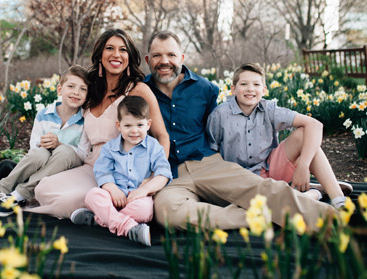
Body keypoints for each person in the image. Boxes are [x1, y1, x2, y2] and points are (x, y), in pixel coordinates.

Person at [144, 31, 337, 232]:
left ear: (181, 58)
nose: (164, 61)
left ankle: (330, 222)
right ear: (148, 59)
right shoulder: (140, 90)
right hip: (169, 174)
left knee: (262, 190)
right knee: (167, 212)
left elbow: (212, 130)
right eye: (157, 55)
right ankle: (268, 215)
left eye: (171, 55)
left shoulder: (204, 88)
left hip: (207, 164)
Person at [26, 28, 169, 220]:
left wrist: (153, 179)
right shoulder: (90, 89)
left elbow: (162, 136)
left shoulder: (138, 90)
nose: (116, 54)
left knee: (66, 201)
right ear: (100, 53)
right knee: (43, 189)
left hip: (125, 169)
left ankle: (103, 213)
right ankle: (102, 213)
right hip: (93, 165)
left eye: (123, 49)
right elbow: (66, 108)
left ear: (129, 56)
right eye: (110, 48)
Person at [207, 63, 352, 209]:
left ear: (263, 90)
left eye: (256, 84)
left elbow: (315, 125)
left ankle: (339, 200)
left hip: (271, 168)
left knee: (304, 135)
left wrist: (303, 166)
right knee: (261, 206)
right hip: (240, 179)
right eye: (244, 84)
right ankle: (312, 193)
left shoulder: (269, 109)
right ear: (233, 89)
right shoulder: (220, 115)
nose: (250, 89)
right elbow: (210, 153)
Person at [0, 65, 91, 217]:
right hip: (45, 161)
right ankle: (0, 190)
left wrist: (60, 144)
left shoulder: (86, 120)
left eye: (83, 89)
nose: (76, 92)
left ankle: (19, 195)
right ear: (59, 89)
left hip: (68, 164)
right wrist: (43, 144)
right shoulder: (44, 114)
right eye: (71, 86)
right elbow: (33, 147)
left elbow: (84, 155)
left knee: (64, 151)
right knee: (39, 154)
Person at [71, 96, 172, 246]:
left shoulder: (154, 147)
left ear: (148, 124)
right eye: (128, 125)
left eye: (139, 125)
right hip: (114, 194)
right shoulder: (110, 148)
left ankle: (99, 219)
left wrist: (144, 190)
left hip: (136, 196)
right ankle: (128, 227)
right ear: (119, 126)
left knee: (144, 210)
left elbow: (163, 174)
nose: (134, 131)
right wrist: (112, 189)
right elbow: (102, 171)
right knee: (93, 195)